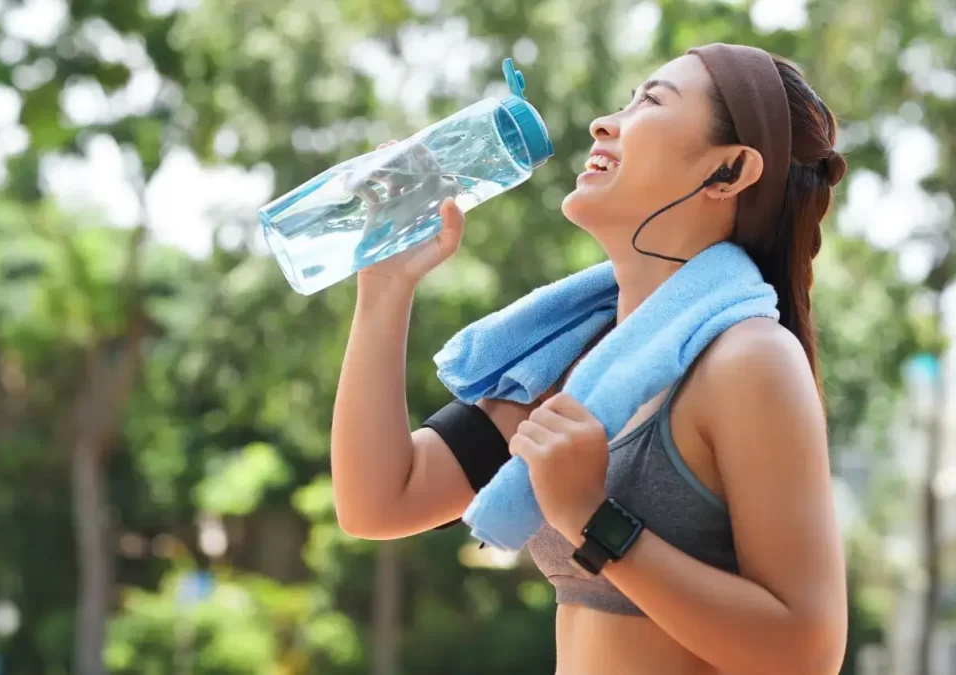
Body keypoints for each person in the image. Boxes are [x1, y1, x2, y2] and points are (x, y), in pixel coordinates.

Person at [330, 43, 849, 675]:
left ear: (731, 170)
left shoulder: (750, 359)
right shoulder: (576, 358)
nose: (606, 122)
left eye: (652, 101)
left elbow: (807, 652)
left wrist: (589, 518)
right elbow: (381, 501)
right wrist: (384, 293)